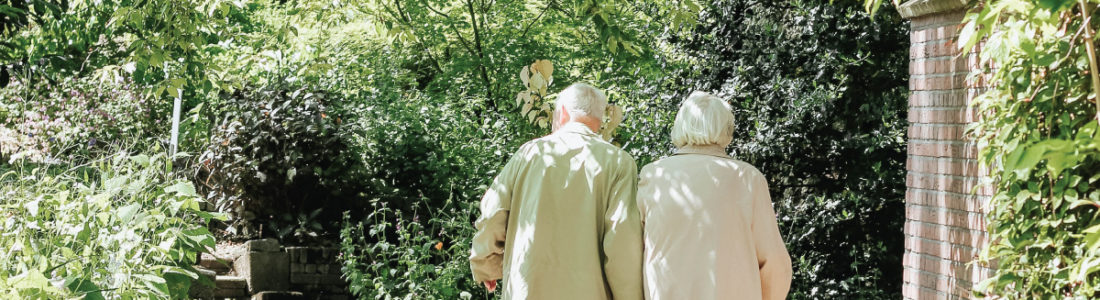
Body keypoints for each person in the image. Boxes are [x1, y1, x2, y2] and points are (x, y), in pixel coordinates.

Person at [469, 83, 644, 300]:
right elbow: (622, 243)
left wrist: (486, 264)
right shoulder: (618, 162)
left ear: (562, 112)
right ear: (600, 120)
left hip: (527, 290)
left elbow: (493, 212)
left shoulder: (529, 154)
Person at [636, 91, 792, 300]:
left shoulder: (653, 175)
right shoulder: (747, 178)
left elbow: (631, 251)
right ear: (726, 129)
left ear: (680, 125)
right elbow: (774, 261)